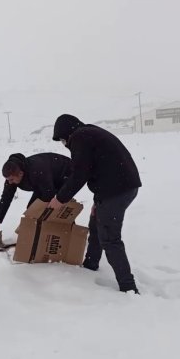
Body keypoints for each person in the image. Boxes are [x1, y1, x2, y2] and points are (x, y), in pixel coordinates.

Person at [48, 114, 142, 293]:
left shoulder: (79, 137)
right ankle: (91, 265)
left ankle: (128, 287)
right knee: (96, 224)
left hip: (117, 190)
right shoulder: (89, 133)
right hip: (119, 186)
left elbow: (79, 174)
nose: (63, 144)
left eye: (61, 139)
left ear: (66, 134)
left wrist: (60, 198)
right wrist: (98, 200)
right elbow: (100, 168)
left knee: (110, 238)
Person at [0, 152, 72, 233]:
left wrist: (29, 219)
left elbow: (48, 194)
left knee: (57, 205)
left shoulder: (37, 171)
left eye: (11, 179)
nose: (10, 182)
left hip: (66, 171)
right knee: (32, 207)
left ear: (21, 174)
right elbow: (5, 200)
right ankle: (30, 230)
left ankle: (68, 231)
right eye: (7, 179)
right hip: (45, 179)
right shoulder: (12, 175)